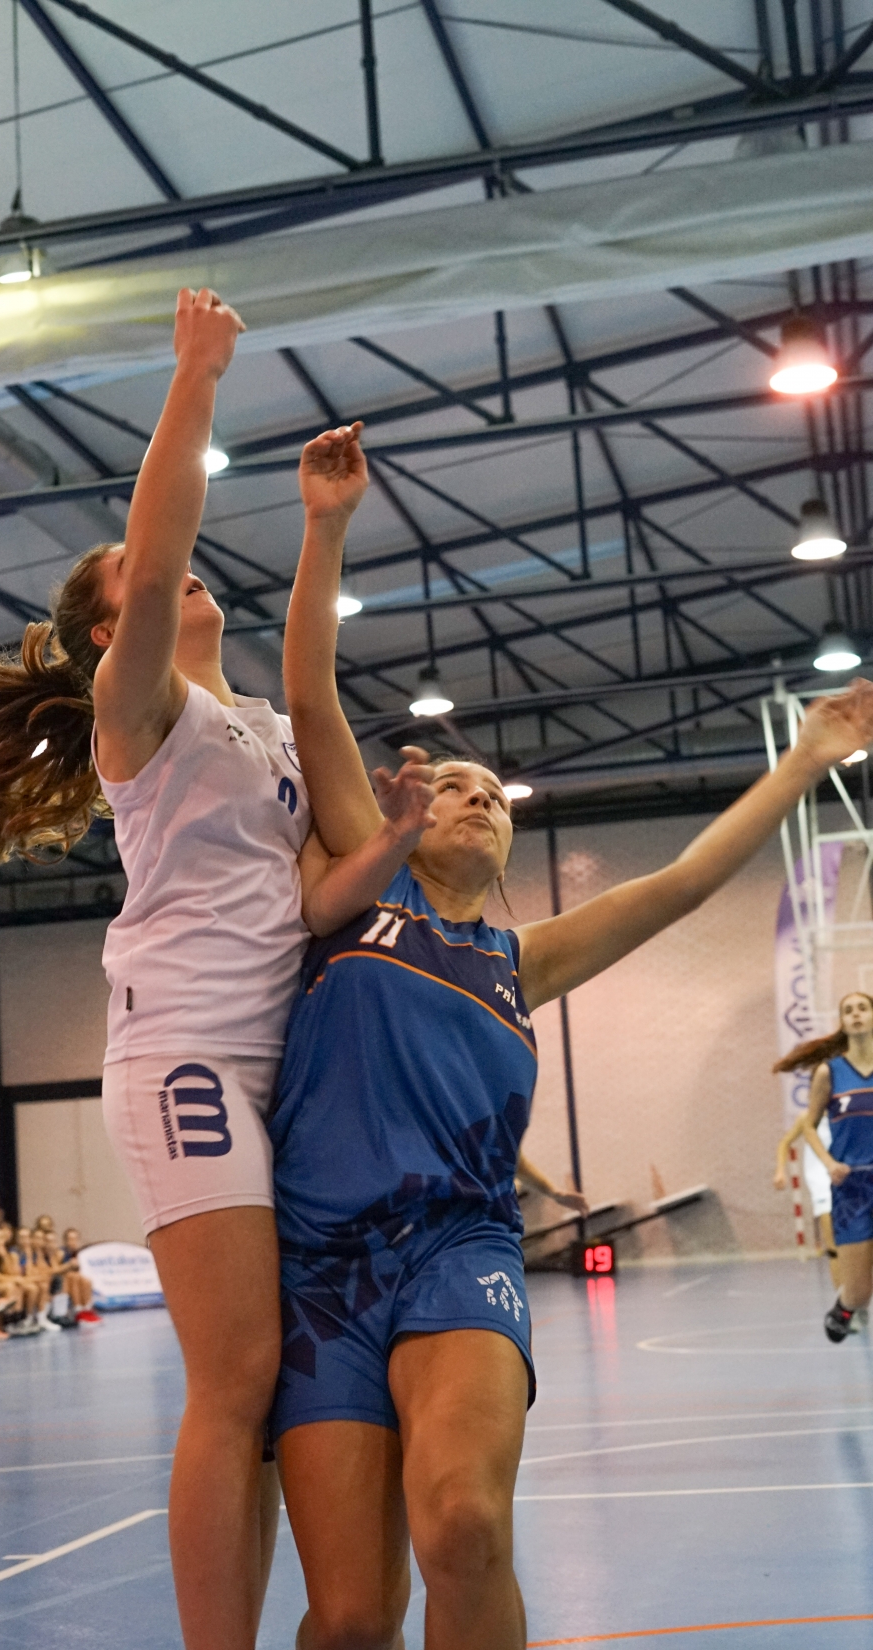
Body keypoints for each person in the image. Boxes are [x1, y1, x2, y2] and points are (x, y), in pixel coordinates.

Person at [268, 456, 873, 1649]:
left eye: (495, 795)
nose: (478, 798)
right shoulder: (356, 894)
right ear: (401, 816)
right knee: (347, 1618)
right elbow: (307, 695)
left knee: (462, 1528)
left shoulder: (520, 959)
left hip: (458, 1249)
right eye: (453, 785)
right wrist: (324, 526)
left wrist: (802, 762)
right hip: (319, 1263)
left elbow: (684, 881)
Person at [0, 290, 374, 1650]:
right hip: (189, 1058)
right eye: (133, 579)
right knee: (235, 1377)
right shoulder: (140, 714)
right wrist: (196, 377)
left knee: (269, 1383)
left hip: (281, 1070)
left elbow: (312, 878)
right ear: (109, 634)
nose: (172, 573)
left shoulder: (257, 728)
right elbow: (156, 566)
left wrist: (325, 527)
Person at [775, 991, 873, 1342]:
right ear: (842, 1022)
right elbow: (809, 1127)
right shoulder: (829, 1072)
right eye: (848, 1010)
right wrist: (829, 1162)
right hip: (852, 1188)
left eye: (863, 1008)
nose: (856, 1014)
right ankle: (844, 1308)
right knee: (859, 1291)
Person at [773, 1113, 839, 1286]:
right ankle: (843, 1295)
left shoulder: (845, 1111)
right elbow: (785, 1142)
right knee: (833, 1246)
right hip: (821, 1181)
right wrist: (780, 1171)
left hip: (844, 1176)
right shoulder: (807, 1117)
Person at [54, 1226, 99, 1321]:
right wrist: (68, 1265)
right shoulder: (61, 1252)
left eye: (75, 1239)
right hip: (61, 1280)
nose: (73, 1242)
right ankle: (78, 1309)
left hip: (75, 1279)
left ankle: (87, 1308)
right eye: (70, 1239)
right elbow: (55, 1270)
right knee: (73, 1277)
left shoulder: (78, 1253)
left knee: (86, 1281)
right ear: (65, 1240)